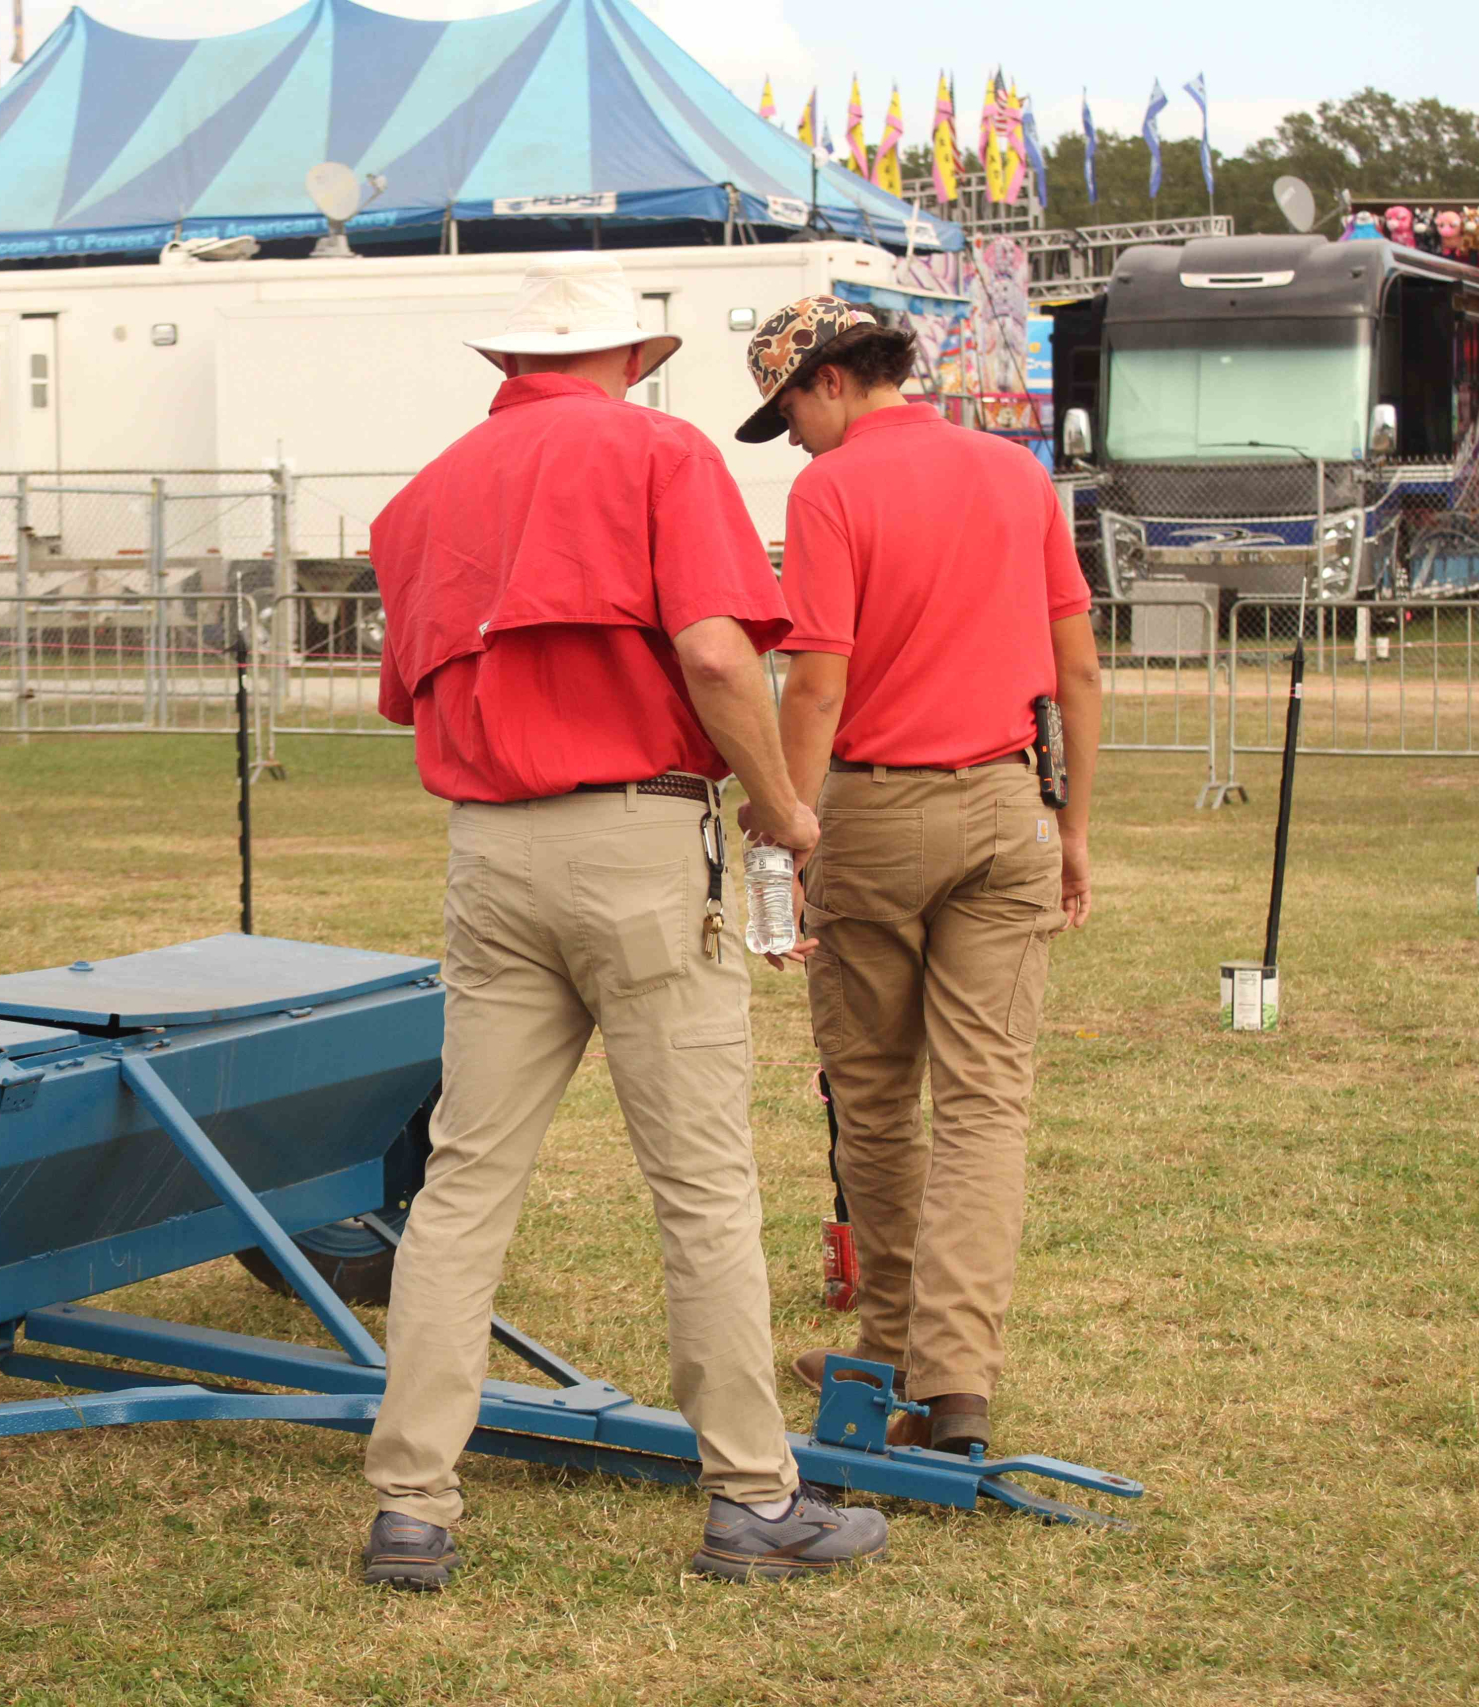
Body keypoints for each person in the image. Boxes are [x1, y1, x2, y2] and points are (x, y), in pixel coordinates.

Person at [357, 255, 892, 1591]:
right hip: (643, 839)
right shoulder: (660, 453)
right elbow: (716, 653)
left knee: (464, 1181)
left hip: (488, 850)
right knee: (702, 1185)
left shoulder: (420, 501)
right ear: (636, 360)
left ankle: (412, 1504)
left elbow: (408, 693)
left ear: (507, 368)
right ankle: (754, 1499)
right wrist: (784, 806)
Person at [736, 296, 1102, 1454]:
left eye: (786, 407)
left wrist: (787, 829)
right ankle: (956, 1384)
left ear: (831, 381)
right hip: (1009, 806)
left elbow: (816, 682)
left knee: (877, 1096)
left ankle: (889, 1343)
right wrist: (1075, 827)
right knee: (987, 1104)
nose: (787, 434)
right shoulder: (1013, 473)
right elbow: (1080, 671)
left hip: (878, 812)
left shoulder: (832, 490)